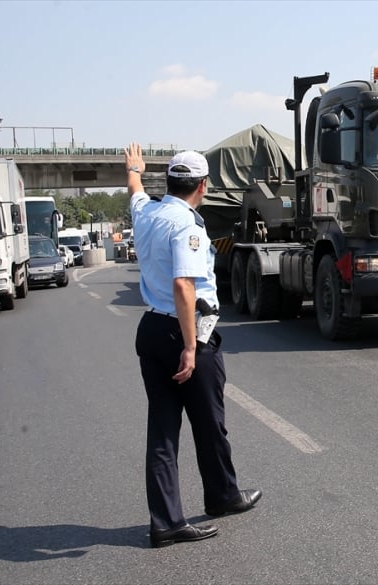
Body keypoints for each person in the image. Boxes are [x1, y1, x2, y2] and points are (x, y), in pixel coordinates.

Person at [124, 143, 260, 548]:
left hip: (151, 329)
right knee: (210, 422)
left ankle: (167, 521)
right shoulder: (186, 226)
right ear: (203, 186)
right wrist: (189, 345)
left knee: (163, 432)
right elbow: (184, 284)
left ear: (168, 182)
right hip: (185, 332)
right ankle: (221, 497)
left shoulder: (147, 212)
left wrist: (133, 168)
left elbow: (133, 189)